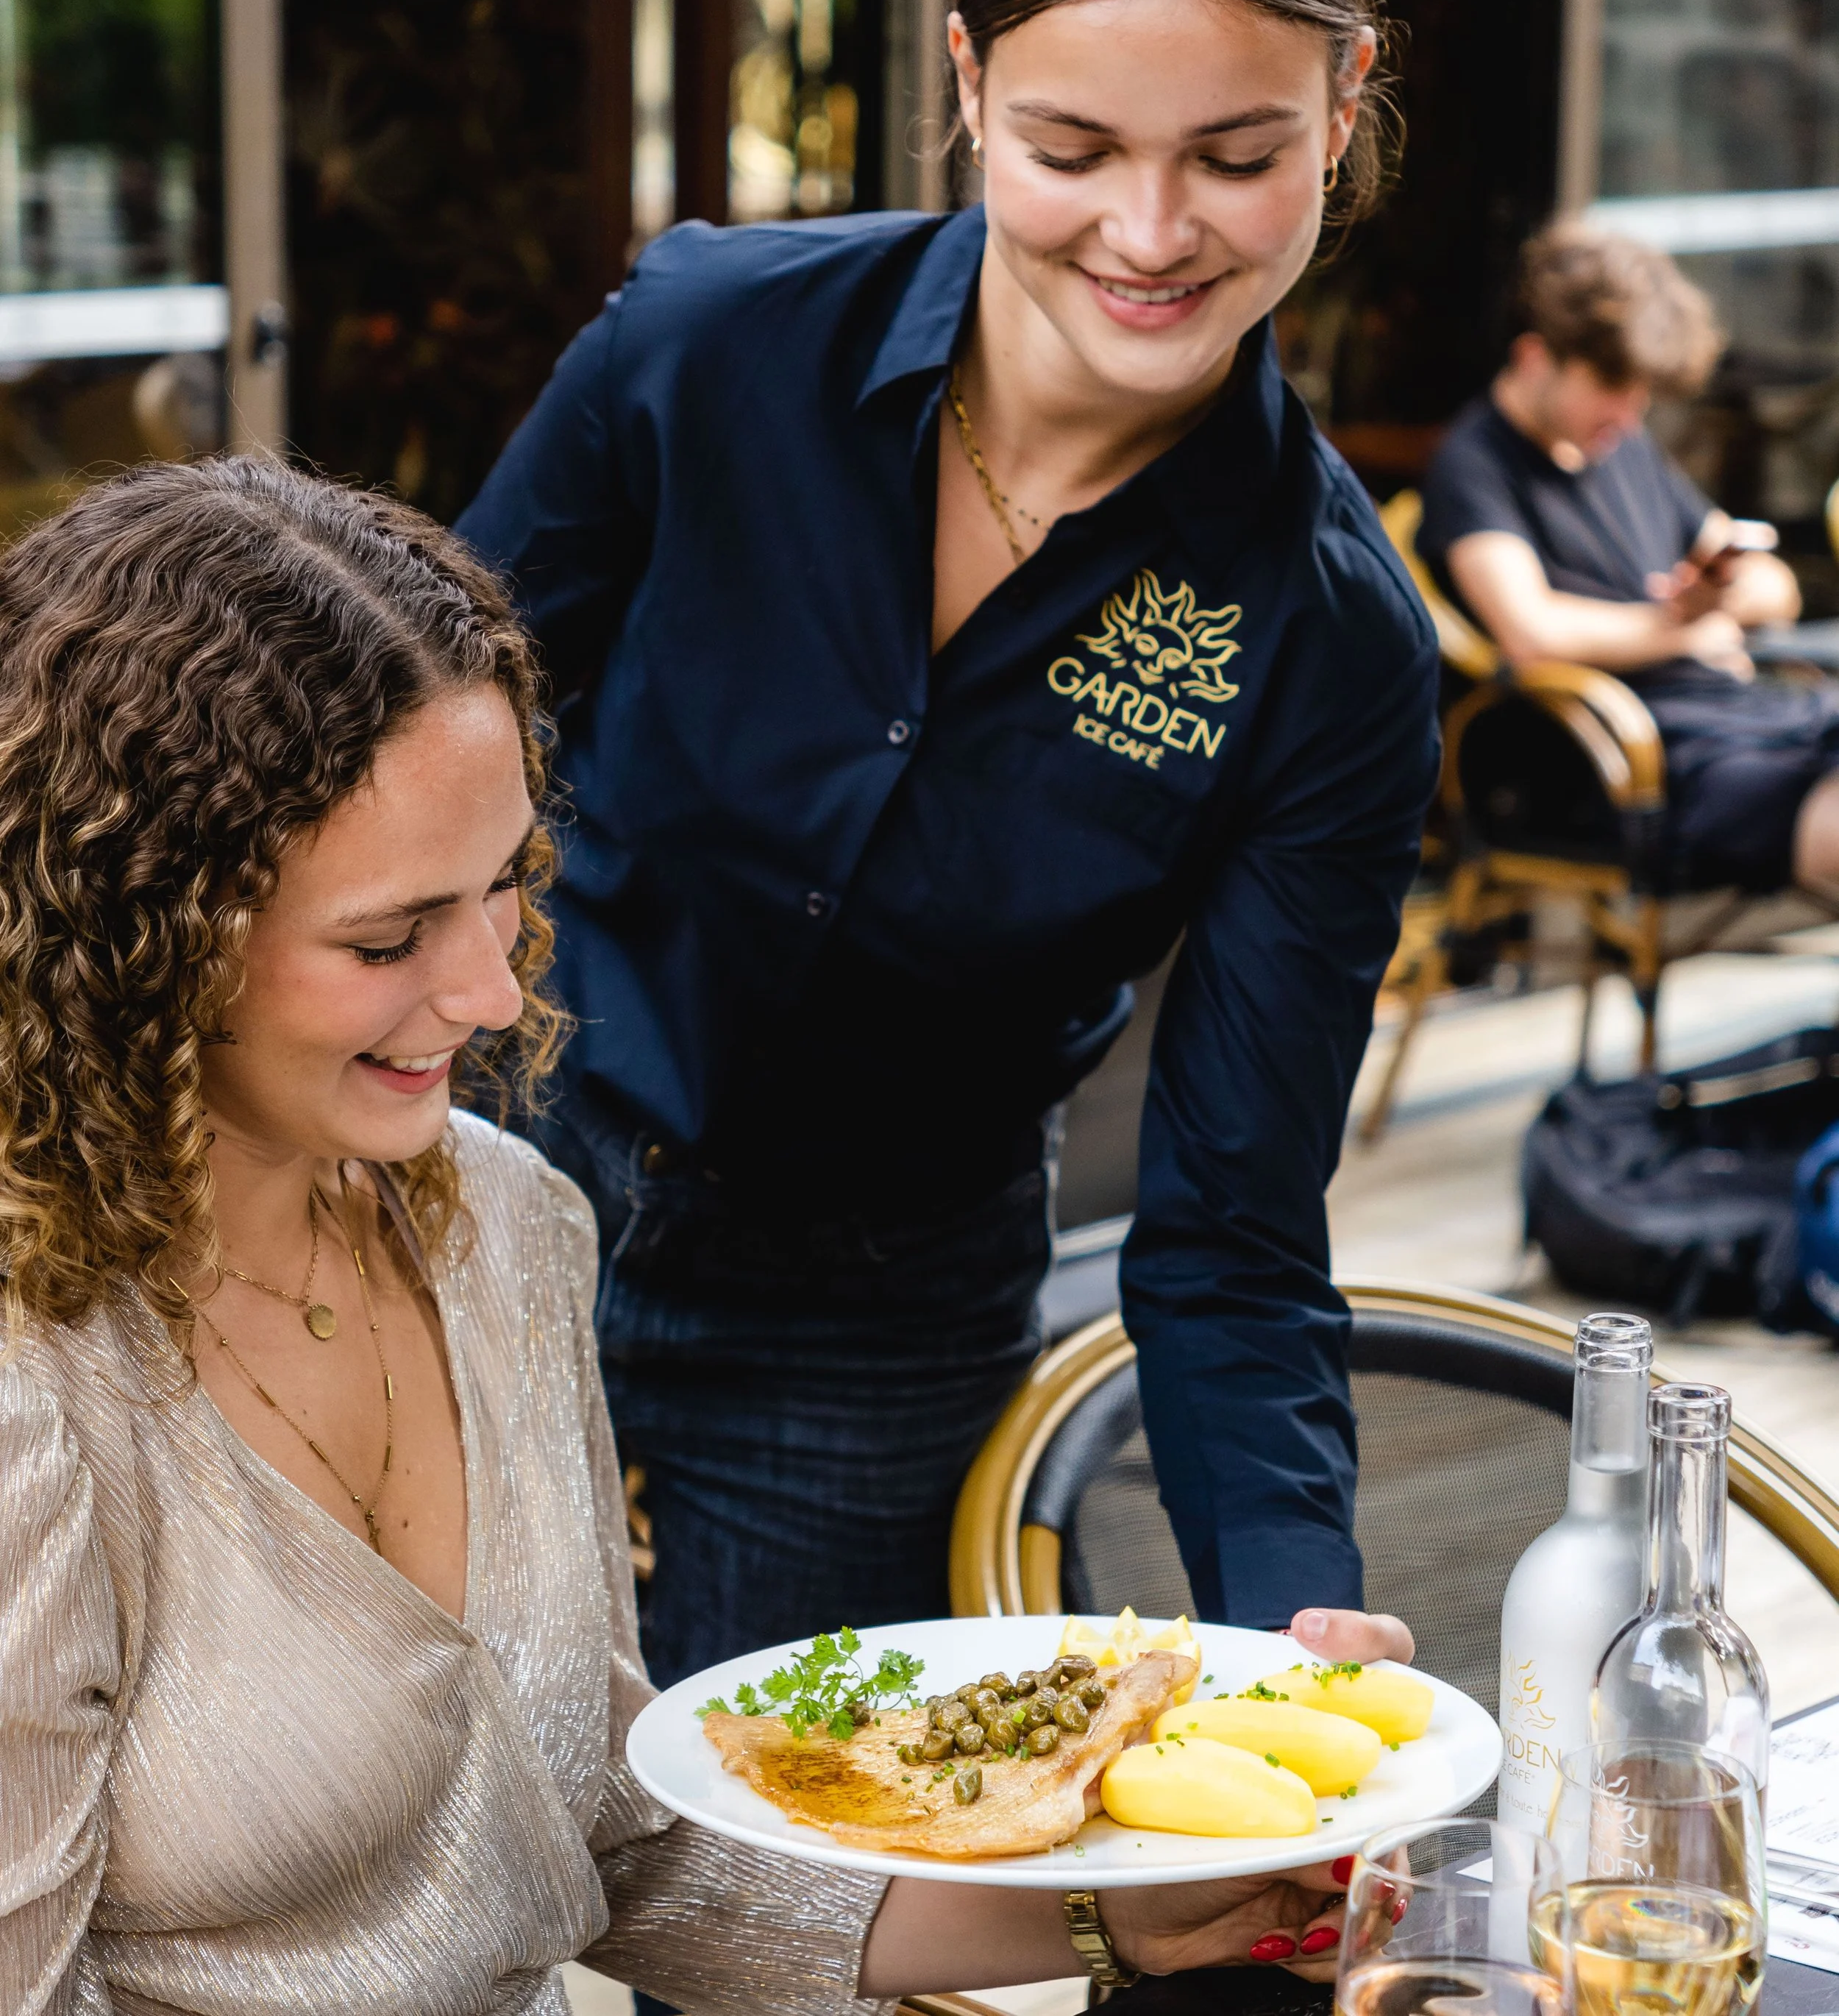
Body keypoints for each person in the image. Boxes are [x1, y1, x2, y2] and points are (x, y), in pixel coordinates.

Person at [0, 455, 1414, 2011]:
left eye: (504, 886)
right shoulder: (36, 1388)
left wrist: (1108, 1920)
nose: (484, 990)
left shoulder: (501, 1225)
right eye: (388, 936)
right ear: (137, 935)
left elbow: (619, 1839)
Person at [457, 0, 1440, 1690]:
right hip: (471, 1185)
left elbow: (1230, 1229)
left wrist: (1297, 1612)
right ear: (971, 82)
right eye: (1074, 146)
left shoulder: (1327, 638)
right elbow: (389, 747)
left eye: (1235, 156)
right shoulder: (705, 343)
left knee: (772, 1940)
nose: (1151, 233)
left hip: (866, 1331)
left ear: (1342, 106)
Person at [1418, 221, 1839, 899]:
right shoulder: (1474, 467)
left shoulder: (1623, 447)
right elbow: (1533, 633)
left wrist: (1715, 598)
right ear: (1534, 359)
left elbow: (1774, 585)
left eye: (1639, 389)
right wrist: (1684, 625)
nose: (1630, 411)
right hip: (1629, 763)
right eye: (1612, 382)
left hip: (1738, 716)